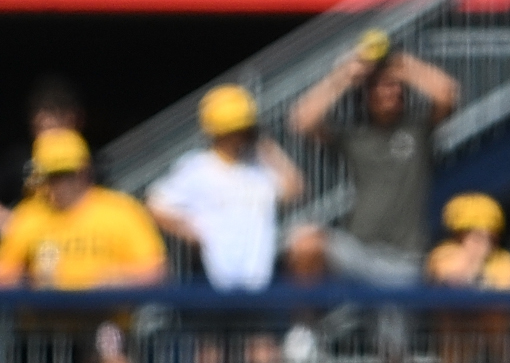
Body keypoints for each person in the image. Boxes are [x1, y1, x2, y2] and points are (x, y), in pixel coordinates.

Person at [286, 30, 456, 284]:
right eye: (379, 86)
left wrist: (401, 65)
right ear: (366, 95)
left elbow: (447, 93)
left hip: (405, 257)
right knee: (304, 241)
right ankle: (307, 325)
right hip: (358, 249)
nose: (387, 91)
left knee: (392, 325)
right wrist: (343, 77)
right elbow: (301, 121)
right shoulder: (355, 136)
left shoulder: (418, 129)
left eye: (393, 85)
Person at [146, 84, 299, 288]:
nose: (241, 136)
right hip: (214, 277)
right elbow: (155, 205)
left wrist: (268, 148)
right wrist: (193, 232)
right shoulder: (196, 167)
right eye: (235, 131)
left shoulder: (260, 166)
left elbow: (294, 190)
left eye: (245, 130)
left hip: (259, 277)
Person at [0, 131, 165, 288]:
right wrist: (28, 281)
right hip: (44, 315)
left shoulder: (120, 210)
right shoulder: (30, 214)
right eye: (50, 177)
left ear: (84, 172)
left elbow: (154, 270)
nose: (57, 185)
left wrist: (118, 279)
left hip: (107, 314)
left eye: (65, 174)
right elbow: (5, 274)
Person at [427, 193, 510, 287]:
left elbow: (506, 294)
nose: (482, 242)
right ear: (459, 236)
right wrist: (472, 260)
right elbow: (449, 281)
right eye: (474, 236)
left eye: (488, 237)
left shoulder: (505, 261)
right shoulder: (444, 255)